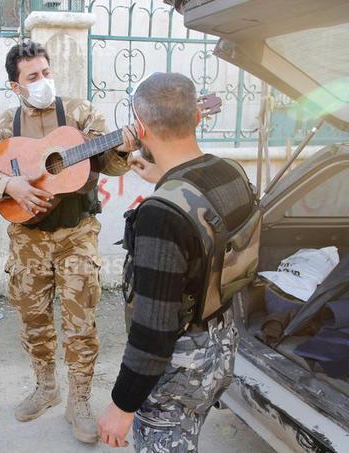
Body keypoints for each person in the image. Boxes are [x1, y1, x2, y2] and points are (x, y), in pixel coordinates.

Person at [0, 40, 136, 444]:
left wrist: (126, 147)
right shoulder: (3, 126)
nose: (43, 82)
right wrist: (9, 184)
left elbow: (108, 163)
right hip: (27, 238)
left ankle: (78, 399)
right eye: (32, 77)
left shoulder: (79, 114)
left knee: (80, 321)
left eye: (46, 72)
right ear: (15, 86)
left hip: (77, 232)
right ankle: (46, 386)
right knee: (33, 317)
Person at [97, 72, 257, 451]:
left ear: (139, 128)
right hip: (223, 346)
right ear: (197, 117)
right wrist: (164, 178)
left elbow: (154, 330)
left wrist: (122, 406)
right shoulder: (231, 172)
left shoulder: (160, 215)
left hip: (177, 372)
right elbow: (208, 227)